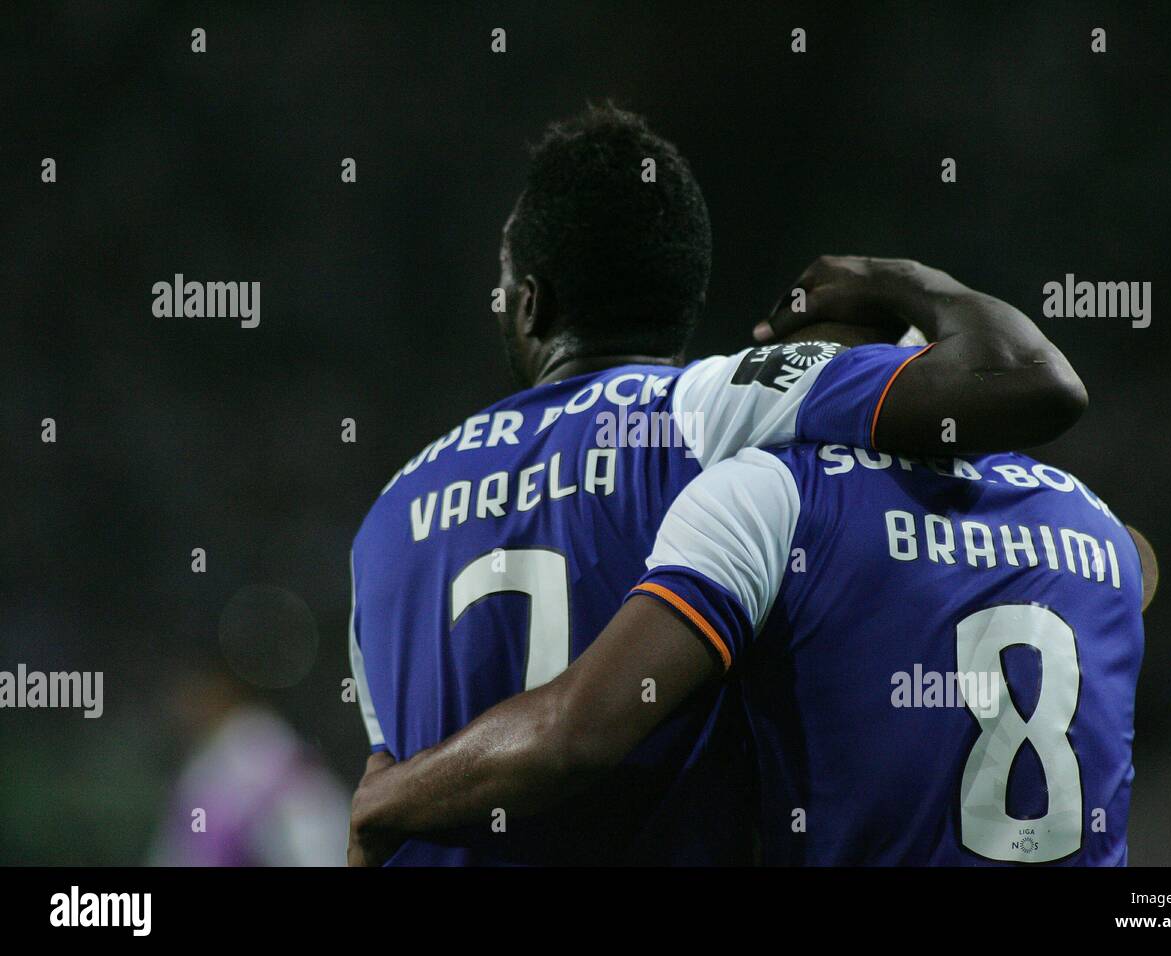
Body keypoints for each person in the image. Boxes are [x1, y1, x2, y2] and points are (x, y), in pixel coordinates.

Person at [347, 104, 1087, 864]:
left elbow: (382, 799)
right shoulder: (711, 407)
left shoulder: (384, 518)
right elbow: (1029, 381)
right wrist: (893, 278)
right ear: (685, 297)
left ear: (531, 303)